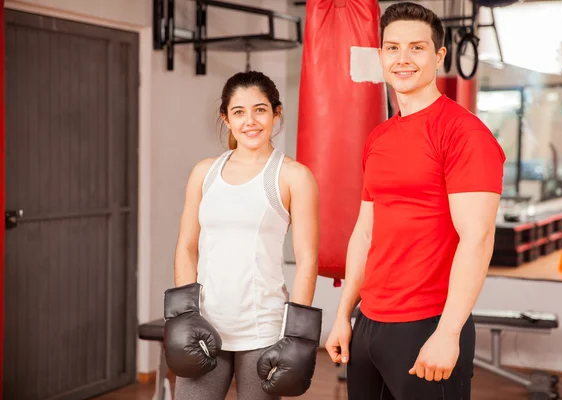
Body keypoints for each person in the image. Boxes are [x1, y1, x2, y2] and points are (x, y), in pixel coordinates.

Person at [325, 2, 506, 399]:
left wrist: (448, 332)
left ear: (439, 55)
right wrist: (343, 314)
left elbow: (477, 239)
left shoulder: (464, 134)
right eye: (392, 48)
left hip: (427, 324)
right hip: (368, 323)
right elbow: (365, 231)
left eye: (416, 48)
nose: (402, 59)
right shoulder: (379, 138)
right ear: (381, 55)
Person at [164, 71, 322, 400]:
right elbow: (187, 246)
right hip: (205, 326)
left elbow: (307, 259)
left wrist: (298, 335)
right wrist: (185, 317)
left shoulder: (293, 176)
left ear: (277, 113)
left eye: (260, 109)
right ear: (226, 118)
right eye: (238, 112)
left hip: (263, 329)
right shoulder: (204, 172)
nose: (250, 121)